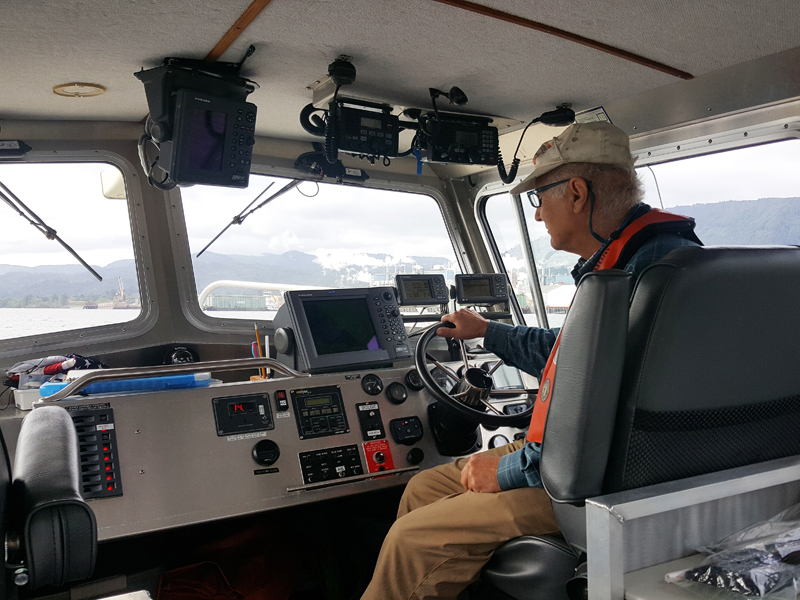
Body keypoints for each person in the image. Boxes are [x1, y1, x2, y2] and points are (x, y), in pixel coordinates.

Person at [361, 121, 702, 600]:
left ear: (577, 193)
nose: (538, 214)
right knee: (423, 488)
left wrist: (508, 471)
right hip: (585, 460)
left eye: (539, 197)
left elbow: (603, 412)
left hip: (596, 484)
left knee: (410, 538)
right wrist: (488, 331)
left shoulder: (645, 278)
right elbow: (578, 359)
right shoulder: (650, 259)